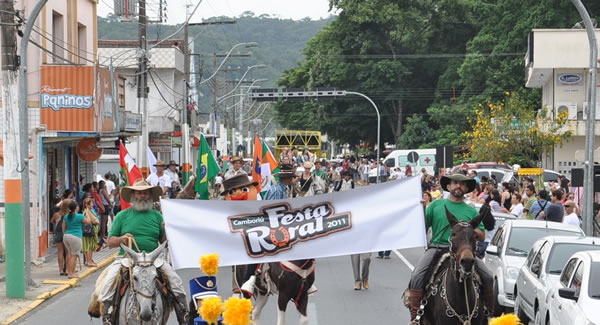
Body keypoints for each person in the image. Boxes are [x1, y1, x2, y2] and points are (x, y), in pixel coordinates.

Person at [91, 179, 188, 324]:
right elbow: (110, 242)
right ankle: (108, 317)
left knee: (177, 284)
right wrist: (122, 239)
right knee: (107, 287)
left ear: (150, 195)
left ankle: (184, 317)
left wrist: (168, 230)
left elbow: (164, 242)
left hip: (153, 259)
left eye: (145, 193)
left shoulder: (157, 216)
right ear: (133, 195)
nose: (142, 196)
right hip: (126, 259)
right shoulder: (121, 216)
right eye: (139, 193)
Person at [407, 173, 493, 322]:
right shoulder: (436, 205)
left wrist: (465, 227)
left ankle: (489, 314)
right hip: (438, 248)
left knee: (488, 277)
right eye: (455, 183)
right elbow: (422, 227)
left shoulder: (471, 211)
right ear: (448, 186)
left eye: (462, 184)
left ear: (466, 188)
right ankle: (416, 317)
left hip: (464, 250)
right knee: (417, 277)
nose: (458, 186)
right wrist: (419, 210)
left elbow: (481, 235)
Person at [62, 200, 93, 279]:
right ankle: (71, 273)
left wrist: (66, 233)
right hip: (76, 236)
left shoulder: (66, 216)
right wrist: (88, 213)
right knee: (74, 256)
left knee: (70, 254)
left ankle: (70, 272)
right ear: (76, 208)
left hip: (66, 236)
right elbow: (89, 222)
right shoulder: (80, 216)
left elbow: (63, 228)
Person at [51, 199, 70, 276]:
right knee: (68, 252)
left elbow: (52, 221)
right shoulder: (68, 215)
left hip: (58, 233)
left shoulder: (57, 214)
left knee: (60, 252)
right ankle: (68, 270)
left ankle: (61, 270)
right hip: (66, 233)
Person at [81, 198, 100, 267]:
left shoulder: (87, 211)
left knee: (86, 245)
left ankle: (87, 261)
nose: (93, 204)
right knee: (90, 246)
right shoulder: (87, 211)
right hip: (90, 231)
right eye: (91, 203)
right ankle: (89, 261)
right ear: (87, 204)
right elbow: (93, 220)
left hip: (87, 231)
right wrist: (96, 221)